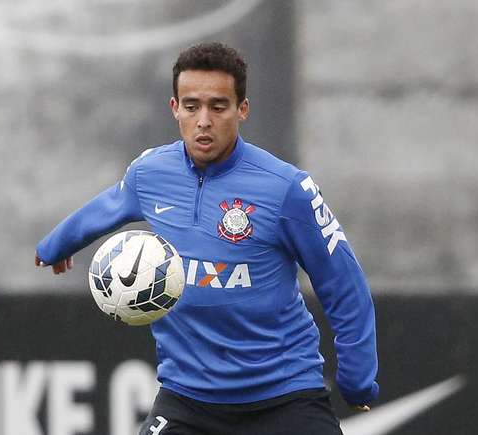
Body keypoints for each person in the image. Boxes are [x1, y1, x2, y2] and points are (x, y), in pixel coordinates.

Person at [35, 42, 378, 435]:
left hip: (284, 397)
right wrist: (56, 246)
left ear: (242, 110)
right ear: (174, 108)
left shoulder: (287, 189)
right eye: (192, 105)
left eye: (218, 106)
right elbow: (108, 205)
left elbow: (343, 283)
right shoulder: (150, 173)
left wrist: (357, 379)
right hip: (188, 399)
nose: (203, 120)